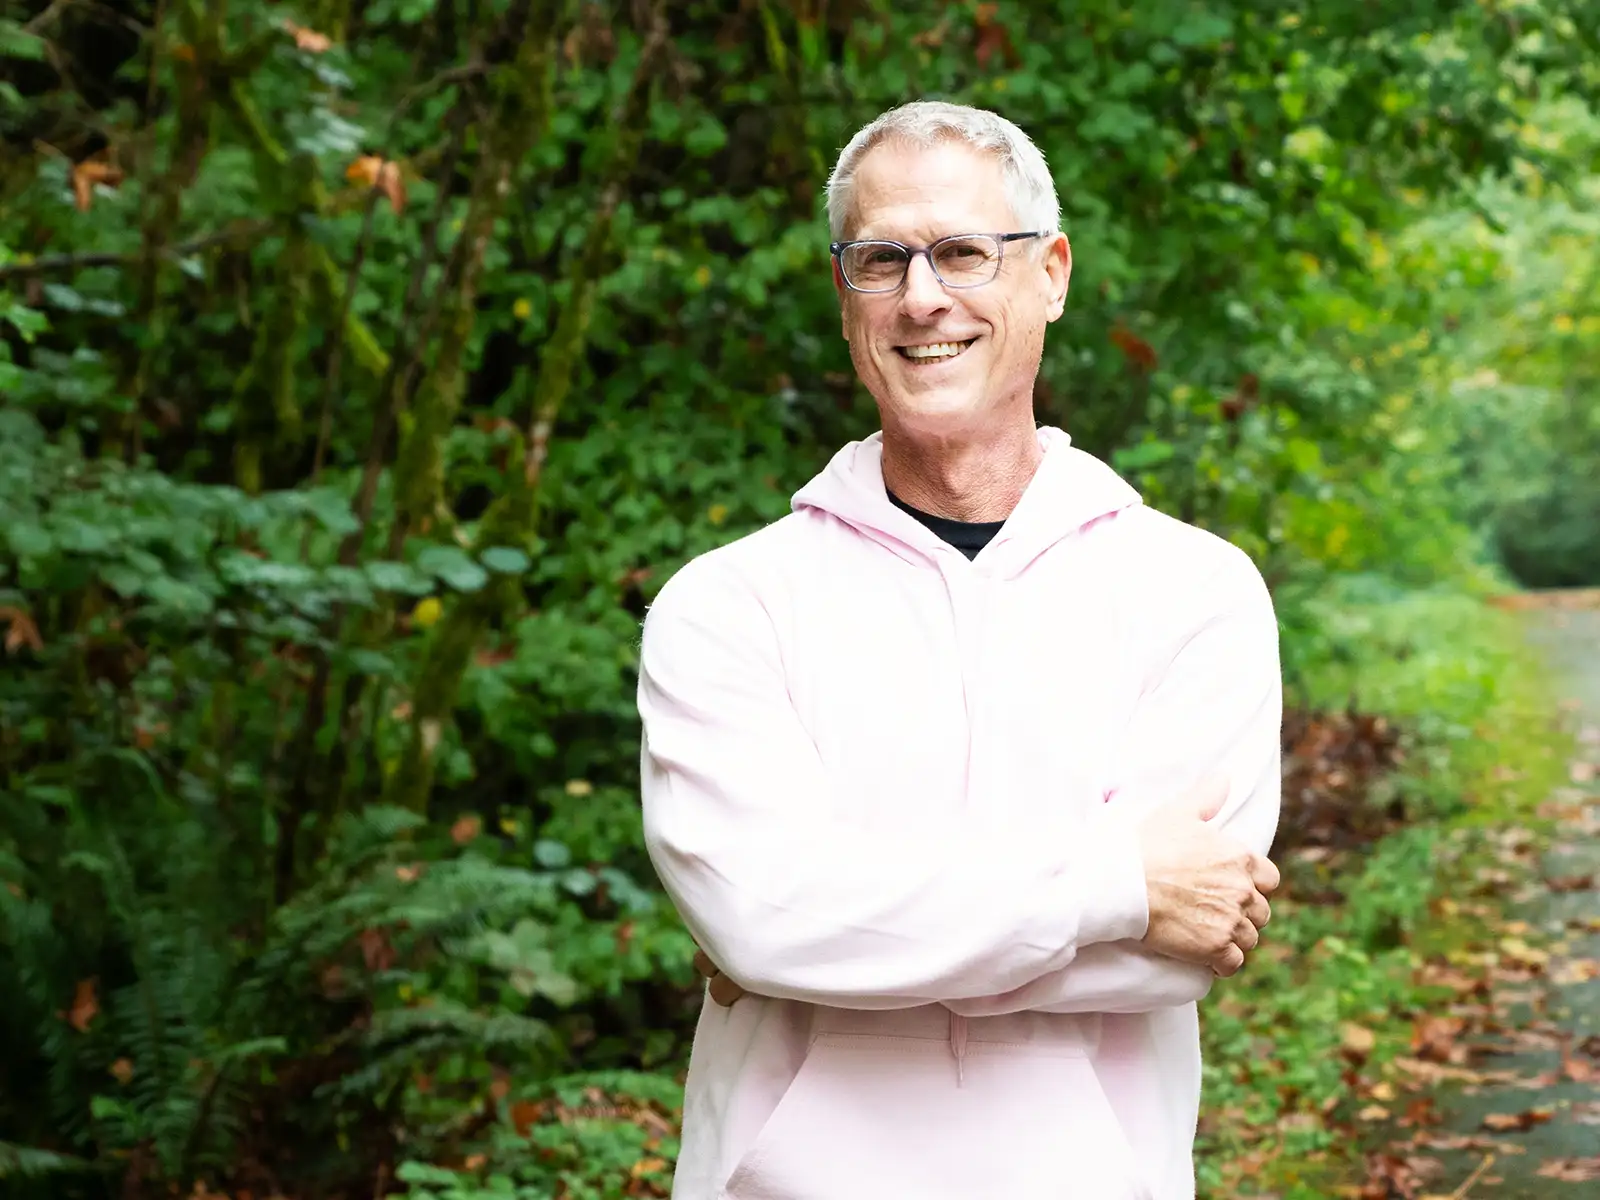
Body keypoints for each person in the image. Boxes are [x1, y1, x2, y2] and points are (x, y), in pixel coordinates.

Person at [635, 100, 1283, 1200]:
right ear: (846, 297)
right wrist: (1118, 884)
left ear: (1052, 275)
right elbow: (761, 920)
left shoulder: (1194, 592)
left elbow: (1175, 949)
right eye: (880, 259)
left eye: (963, 252)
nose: (921, 296)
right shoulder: (728, 604)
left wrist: (840, 929)